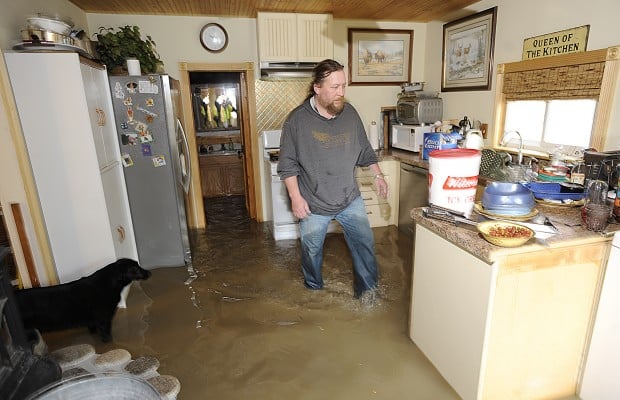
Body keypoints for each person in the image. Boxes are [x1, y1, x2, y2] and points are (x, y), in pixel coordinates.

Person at [277, 59, 388, 301]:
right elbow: (287, 165)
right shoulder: (297, 120)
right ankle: (314, 294)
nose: (341, 93)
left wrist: (378, 174)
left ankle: (367, 295)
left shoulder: (350, 113)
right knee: (311, 251)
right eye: (335, 87)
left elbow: (364, 149)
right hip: (313, 204)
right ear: (317, 88)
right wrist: (296, 198)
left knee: (364, 247)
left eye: (344, 86)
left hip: (349, 198)